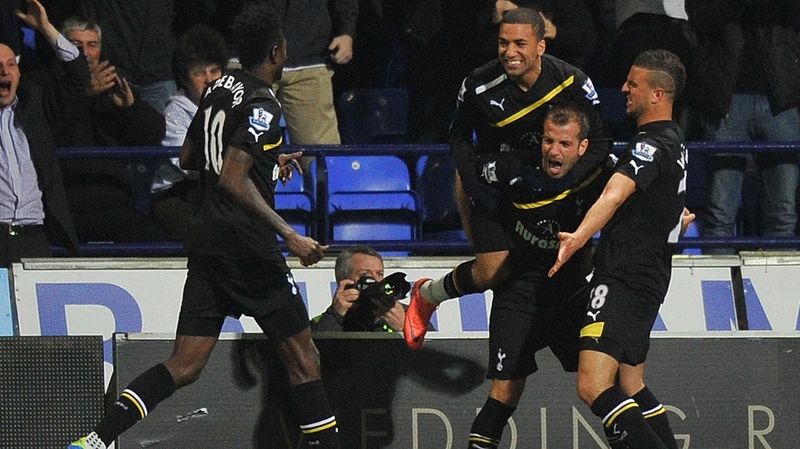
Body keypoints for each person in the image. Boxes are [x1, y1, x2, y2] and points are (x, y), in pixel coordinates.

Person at [68, 5, 339, 449]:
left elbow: (190, 158)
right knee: (305, 360)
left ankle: (96, 440)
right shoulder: (263, 104)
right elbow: (233, 177)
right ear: (277, 52)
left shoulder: (218, 89)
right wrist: (289, 234)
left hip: (207, 239)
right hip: (248, 247)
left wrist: (268, 161)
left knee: (185, 365)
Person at [404, 7, 612, 349]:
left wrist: (567, 183)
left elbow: (601, 141)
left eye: (520, 43)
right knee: (491, 272)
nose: (509, 52)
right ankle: (427, 294)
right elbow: (458, 138)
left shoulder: (572, 81)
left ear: (541, 47)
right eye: (503, 43)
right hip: (497, 184)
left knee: (579, 260)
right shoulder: (477, 85)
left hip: (553, 183)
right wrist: (473, 186)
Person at [548, 49, 689, 449]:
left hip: (624, 276)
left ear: (658, 94)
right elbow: (666, 200)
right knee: (630, 383)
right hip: (650, 274)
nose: (624, 88)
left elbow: (613, 195)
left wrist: (577, 238)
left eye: (634, 84)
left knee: (593, 385)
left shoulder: (650, 144)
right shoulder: (674, 138)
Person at [468, 104, 613, 449]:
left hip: (572, 294)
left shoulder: (601, 177)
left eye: (564, 144)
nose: (553, 151)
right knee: (503, 394)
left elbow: (630, 207)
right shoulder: (512, 168)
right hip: (518, 293)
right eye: (549, 141)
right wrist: (484, 241)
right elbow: (466, 177)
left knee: (608, 387)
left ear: (582, 147)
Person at [687, 0, 800, 253]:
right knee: (720, 213)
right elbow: (701, 18)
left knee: (783, 213)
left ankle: (780, 289)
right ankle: (717, 289)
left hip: (781, 100)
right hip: (725, 99)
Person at [55, 16, 170, 243]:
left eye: (92, 45)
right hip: (65, 208)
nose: (85, 53)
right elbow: (50, 131)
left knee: (160, 244)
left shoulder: (114, 86)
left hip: (113, 204)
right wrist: (83, 95)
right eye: (76, 46)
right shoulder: (46, 86)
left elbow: (152, 136)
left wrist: (131, 108)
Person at [1, 0, 82, 267]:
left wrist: (46, 29)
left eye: (11, 64)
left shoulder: (33, 107)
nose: (4, 71)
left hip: (33, 237)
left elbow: (79, 76)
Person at [151, 24, 228, 240]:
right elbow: (190, 166)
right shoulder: (174, 113)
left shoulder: (232, 106)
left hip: (217, 191)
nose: (209, 79)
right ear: (185, 78)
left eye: (215, 71)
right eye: (199, 73)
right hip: (176, 195)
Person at [311, 245, 407, 332]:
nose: (376, 280)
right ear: (344, 281)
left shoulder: (405, 314)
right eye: (365, 274)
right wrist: (336, 315)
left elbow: (418, 349)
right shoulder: (322, 322)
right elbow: (316, 349)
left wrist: (404, 328)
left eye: (379, 274)